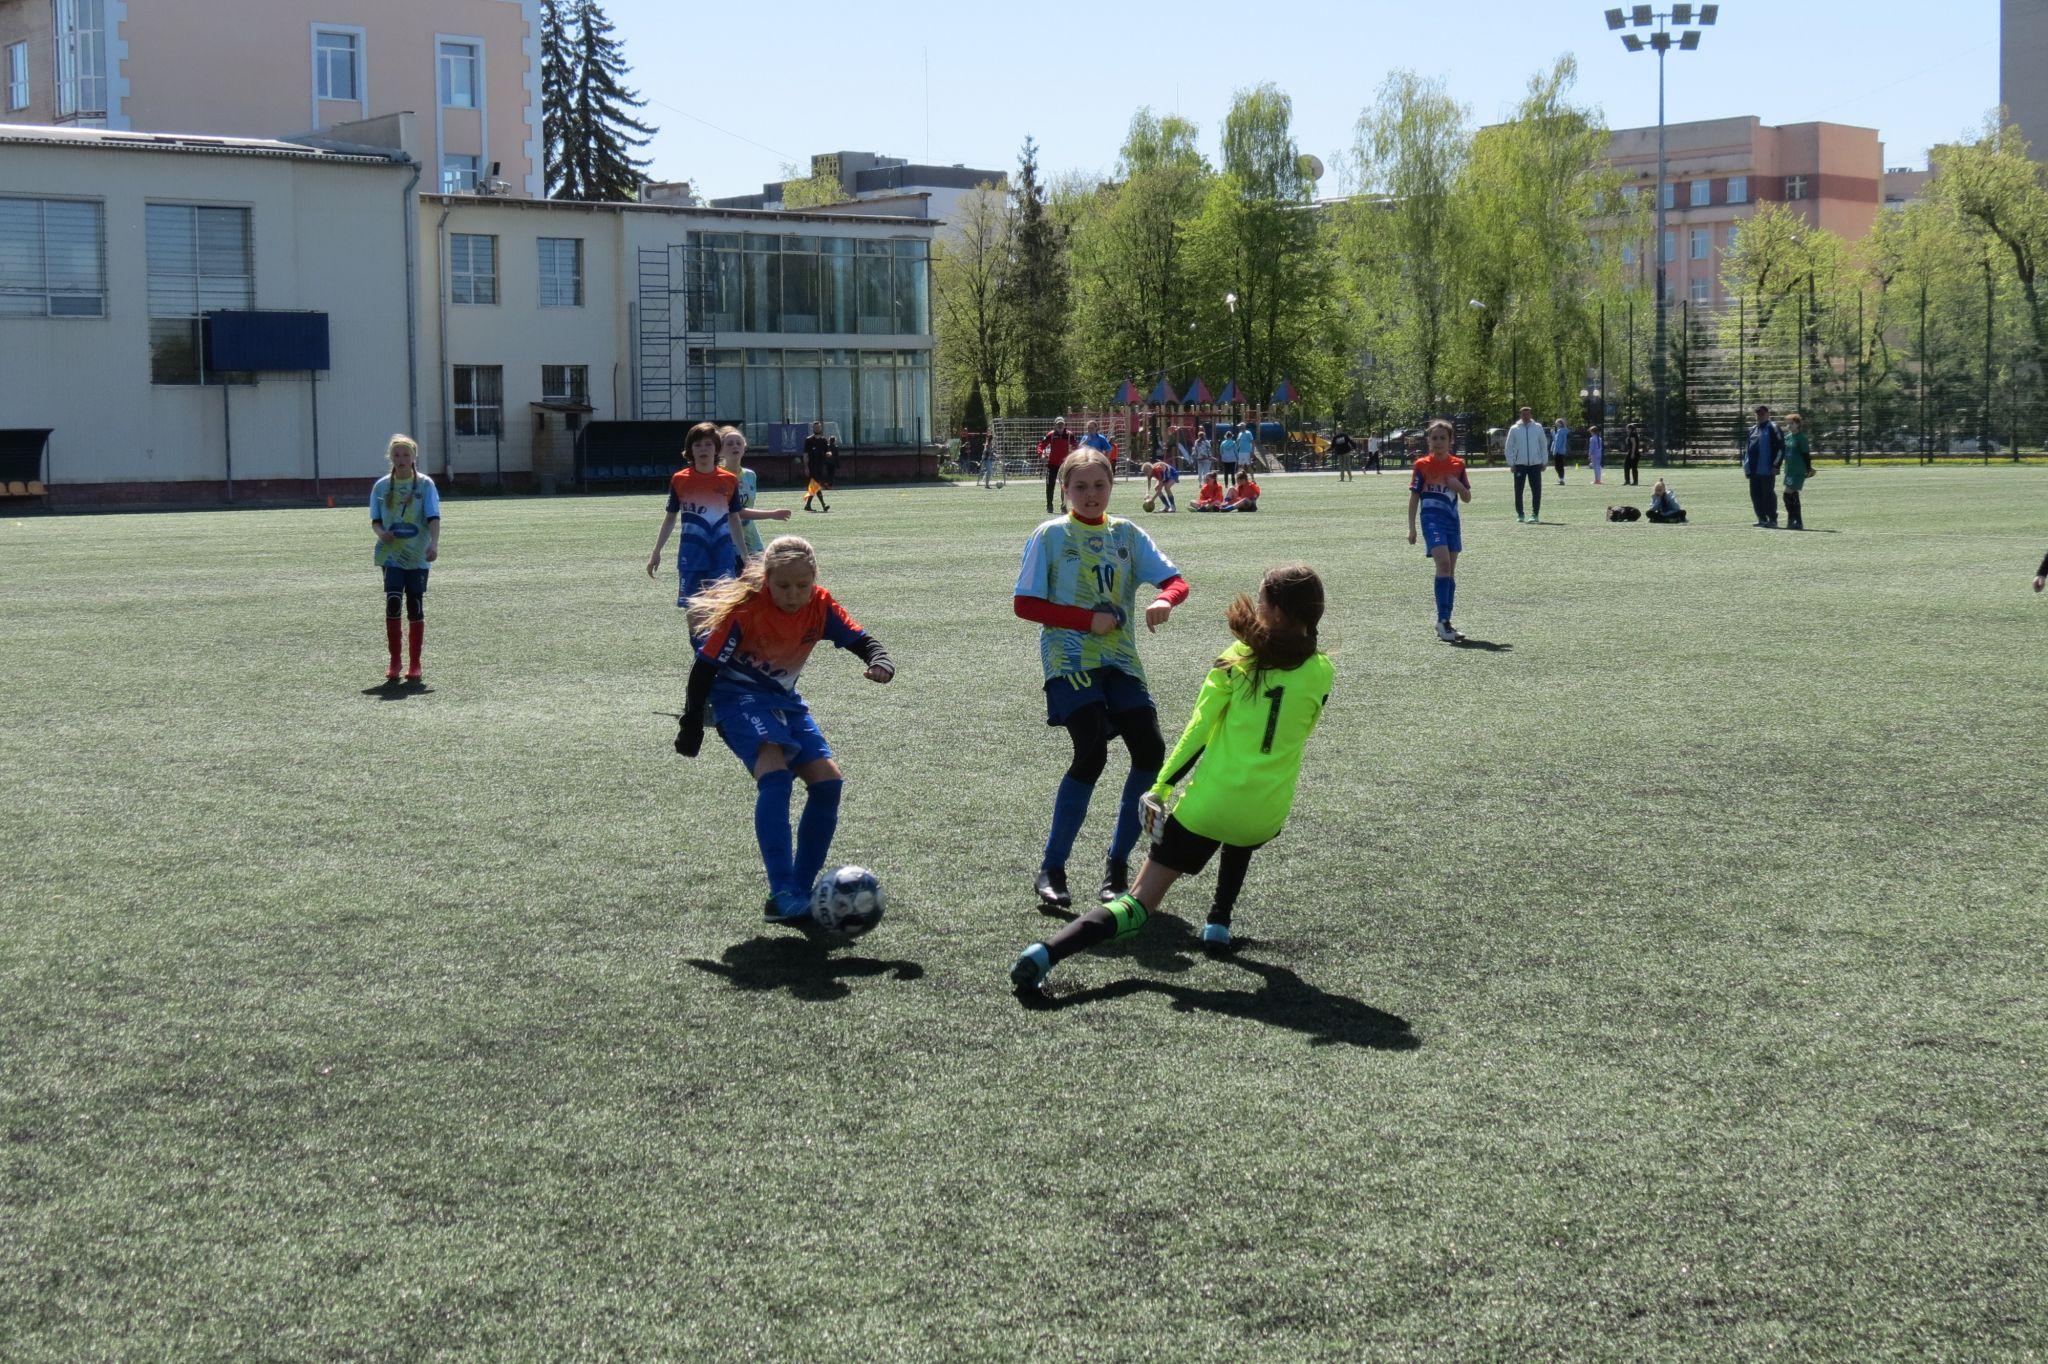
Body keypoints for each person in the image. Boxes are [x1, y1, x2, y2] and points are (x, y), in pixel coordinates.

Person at [1011, 564, 1332, 988]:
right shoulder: (1323, 671)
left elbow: (1197, 733)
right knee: (1243, 826)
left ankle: (1046, 952)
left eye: (1261, 600)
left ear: (1273, 610)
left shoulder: (1235, 660)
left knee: (1138, 903)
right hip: (1266, 815)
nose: (1255, 607)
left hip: (1208, 811)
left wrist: (1160, 788)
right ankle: (1218, 922)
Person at [673, 536, 894, 923]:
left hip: (783, 700)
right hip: (737, 700)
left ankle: (800, 892)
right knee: (775, 776)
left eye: (802, 585)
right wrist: (692, 724)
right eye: (783, 585)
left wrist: (880, 659)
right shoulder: (746, 610)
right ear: (767, 580)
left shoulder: (820, 605)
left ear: (814, 580)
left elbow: (862, 640)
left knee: (828, 783)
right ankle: (781, 892)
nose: (793, 594)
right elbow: (704, 668)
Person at [1014, 449, 1190, 908]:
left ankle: (1117, 866)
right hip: (1070, 660)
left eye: (1099, 486)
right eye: (1080, 487)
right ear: (1065, 489)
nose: (1090, 495)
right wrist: (1084, 620)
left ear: (1111, 486)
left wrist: (1165, 600)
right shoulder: (1050, 535)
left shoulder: (1127, 533)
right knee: (1091, 750)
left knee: (1150, 750)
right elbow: (1025, 604)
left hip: (1121, 659)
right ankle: (1053, 867)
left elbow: (1176, 581)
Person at [646, 421, 745, 610]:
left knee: (723, 610)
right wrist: (656, 552)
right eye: (698, 444)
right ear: (690, 449)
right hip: (691, 557)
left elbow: (734, 519)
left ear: (716, 448)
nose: (703, 449)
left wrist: (745, 556)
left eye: (708, 444)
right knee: (694, 611)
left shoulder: (729, 480)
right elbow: (670, 518)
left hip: (722, 557)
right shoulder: (680, 479)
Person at [370, 434, 440, 685]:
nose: (401, 459)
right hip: (390, 556)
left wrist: (433, 544)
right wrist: (382, 534)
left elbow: (433, 517)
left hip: (418, 555)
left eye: (405, 454)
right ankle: (395, 661)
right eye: (396, 455)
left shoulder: (425, 485)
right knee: (392, 602)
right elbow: (376, 521)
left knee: (415, 605)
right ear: (390, 457)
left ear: (414, 457)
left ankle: (415, 663)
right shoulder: (381, 487)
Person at [1406, 418, 1472, 643]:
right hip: (1431, 521)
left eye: (1443, 438)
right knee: (1443, 564)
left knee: (1450, 571)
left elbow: (1467, 497)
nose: (1438, 442)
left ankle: (1446, 621)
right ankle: (1443, 621)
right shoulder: (1421, 465)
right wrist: (1412, 528)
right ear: (1428, 441)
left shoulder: (1458, 465)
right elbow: (1414, 497)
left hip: (1452, 522)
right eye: (1434, 438)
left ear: (1450, 441)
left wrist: (1458, 486)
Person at [720, 425, 793, 558]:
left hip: (752, 539)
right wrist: (772, 514)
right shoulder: (718, 477)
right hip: (727, 540)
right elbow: (735, 512)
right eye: (729, 444)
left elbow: (747, 507)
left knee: (759, 570)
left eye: (738, 443)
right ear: (720, 450)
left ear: (744, 447)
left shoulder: (750, 475)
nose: (735, 446)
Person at [1742, 403, 1785, 528]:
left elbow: (1781, 448)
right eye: (1757, 414)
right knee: (1755, 494)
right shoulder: (1752, 429)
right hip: (1753, 469)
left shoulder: (1773, 428)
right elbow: (1747, 449)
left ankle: (1772, 519)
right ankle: (1762, 518)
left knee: (1768, 494)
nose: (1759, 416)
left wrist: (1776, 465)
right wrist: (1746, 466)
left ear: (1768, 414)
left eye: (1762, 414)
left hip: (1767, 469)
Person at [1503, 406, 1547, 523]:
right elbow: (1508, 447)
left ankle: (1535, 514)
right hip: (1519, 465)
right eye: (1523, 414)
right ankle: (1520, 514)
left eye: (1527, 414)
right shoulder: (1514, 429)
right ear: (1520, 415)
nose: (1526, 416)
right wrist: (1511, 463)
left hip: (1535, 464)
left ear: (1530, 414)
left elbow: (1543, 445)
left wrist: (1544, 461)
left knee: (1536, 490)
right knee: (1518, 490)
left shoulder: (1538, 427)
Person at [1036, 416, 1080, 516]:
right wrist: (1041, 454)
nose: (1060, 425)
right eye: (1058, 424)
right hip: (1052, 464)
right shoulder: (1051, 435)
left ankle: (1063, 506)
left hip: (1064, 465)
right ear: (1055, 425)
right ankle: (1049, 505)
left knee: (1064, 486)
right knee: (1050, 485)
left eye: (1062, 424)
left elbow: (1076, 446)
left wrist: (1076, 455)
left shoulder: (1069, 435)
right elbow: (1041, 446)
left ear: (1064, 424)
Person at [1782, 412, 1814, 530]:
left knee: (1787, 493)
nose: (1789, 426)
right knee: (1793, 494)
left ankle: (1793, 519)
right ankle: (1796, 521)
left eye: (1792, 423)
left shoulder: (1802, 438)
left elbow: (1806, 455)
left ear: (1798, 424)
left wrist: (1808, 468)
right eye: (1788, 424)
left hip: (1798, 470)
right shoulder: (1788, 437)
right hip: (1789, 470)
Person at [801, 421, 834, 513]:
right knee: (816, 484)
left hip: (820, 466)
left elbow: (827, 451)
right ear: (813, 428)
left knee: (814, 485)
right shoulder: (809, 440)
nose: (817, 429)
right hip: (812, 465)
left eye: (818, 427)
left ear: (821, 428)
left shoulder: (824, 440)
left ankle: (808, 505)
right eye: (815, 427)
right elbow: (805, 454)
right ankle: (823, 505)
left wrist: (829, 454)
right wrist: (806, 467)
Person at [1622, 421, 1645, 486]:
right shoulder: (1632, 435)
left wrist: (1632, 454)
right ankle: (1630, 481)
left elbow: (1634, 444)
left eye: (1627, 429)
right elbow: (1628, 443)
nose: (1626, 430)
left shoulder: (1632, 434)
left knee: (1630, 467)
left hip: (1633, 452)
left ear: (1630, 429)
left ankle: (1632, 481)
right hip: (1633, 452)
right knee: (1629, 466)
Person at [1550, 418, 1571, 484]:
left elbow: (1557, 442)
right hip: (1562, 451)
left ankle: (1561, 479)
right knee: (1559, 466)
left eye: (1557, 423)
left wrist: (1554, 451)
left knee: (1558, 466)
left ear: (1560, 424)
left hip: (1558, 451)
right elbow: (1556, 440)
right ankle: (1561, 479)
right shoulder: (1562, 431)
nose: (1556, 424)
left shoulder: (1560, 431)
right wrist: (1553, 433)